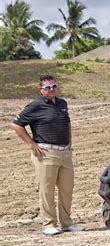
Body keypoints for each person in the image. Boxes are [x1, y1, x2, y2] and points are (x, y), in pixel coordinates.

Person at [11, 75, 85, 236]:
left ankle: (66, 223)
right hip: (46, 153)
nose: (52, 90)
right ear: (41, 90)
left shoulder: (62, 103)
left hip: (65, 152)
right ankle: (49, 224)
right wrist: (32, 144)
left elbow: (67, 123)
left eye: (54, 86)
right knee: (47, 190)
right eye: (48, 87)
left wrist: (70, 143)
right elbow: (16, 124)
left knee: (67, 189)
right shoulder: (35, 106)